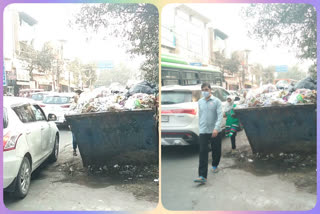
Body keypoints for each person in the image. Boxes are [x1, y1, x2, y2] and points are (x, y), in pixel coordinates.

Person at [194, 83, 223, 184]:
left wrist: (216, 128)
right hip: (203, 131)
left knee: (216, 150)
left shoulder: (217, 101)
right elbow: (201, 116)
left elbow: (220, 116)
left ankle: (215, 165)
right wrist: (200, 128)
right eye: (203, 90)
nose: (204, 91)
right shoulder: (200, 102)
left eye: (206, 89)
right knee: (202, 152)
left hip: (215, 131)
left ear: (210, 90)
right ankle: (202, 176)